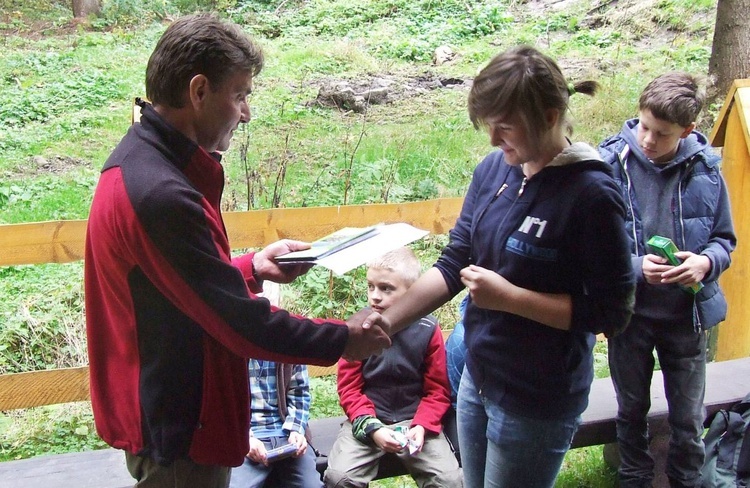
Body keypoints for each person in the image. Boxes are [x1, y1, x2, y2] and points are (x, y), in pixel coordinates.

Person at [84, 13, 390, 488]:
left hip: (177, 414)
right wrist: (345, 339)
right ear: (199, 91)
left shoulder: (146, 164)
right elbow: (241, 324)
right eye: (241, 94)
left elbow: (173, 282)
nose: (246, 112)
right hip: (180, 433)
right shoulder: (160, 193)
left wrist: (251, 267)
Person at [355, 45, 636, 488]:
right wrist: (380, 326)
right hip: (476, 378)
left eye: (503, 127)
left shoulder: (592, 195)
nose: (491, 140)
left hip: (537, 397)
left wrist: (511, 299)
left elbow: (612, 313)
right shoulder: (494, 170)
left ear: (547, 116)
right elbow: (453, 263)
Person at [598, 72, 736, 488]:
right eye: (643, 126)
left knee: (688, 418)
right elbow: (594, 246)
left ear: (687, 131)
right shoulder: (610, 166)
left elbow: (725, 240)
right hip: (630, 315)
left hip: (686, 317)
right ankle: (634, 479)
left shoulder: (707, 172)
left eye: (661, 134)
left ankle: (687, 480)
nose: (648, 140)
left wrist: (706, 264)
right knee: (631, 410)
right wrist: (637, 266)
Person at [323, 247, 463, 488]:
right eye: (370, 286)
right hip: (369, 420)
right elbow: (349, 390)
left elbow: (438, 390)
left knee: (450, 481)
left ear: (412, 291)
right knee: (339, 478)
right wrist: (372, 428)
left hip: (414, 421)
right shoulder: (358, 330)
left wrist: (422, 425)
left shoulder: (428, 329)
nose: (375, 296)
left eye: (386, 288)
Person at [229, 360, 321, 488]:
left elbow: (299, 393)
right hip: (247, 437)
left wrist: (296, 430)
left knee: (311, 485)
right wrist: (244, 439)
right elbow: (223, 403)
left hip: (287, 436)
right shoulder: (232, 348)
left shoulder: (290, 345)